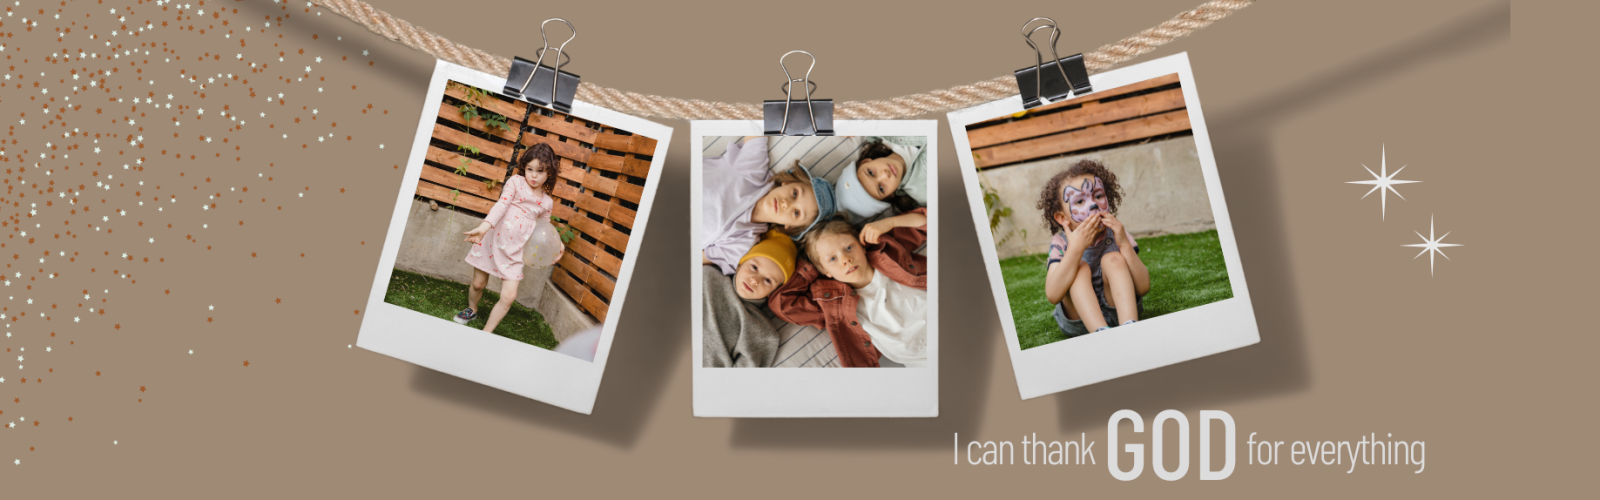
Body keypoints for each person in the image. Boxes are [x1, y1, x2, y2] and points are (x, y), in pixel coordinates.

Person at [769, 210, 928, 367]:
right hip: (921, 362)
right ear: (824, 271)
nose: (846, 259)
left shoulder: (887, 250)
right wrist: (810, 268)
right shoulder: (831, 302)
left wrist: (890, 222)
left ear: (862, 245)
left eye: (849, 248)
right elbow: (782, 305)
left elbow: (927, 223)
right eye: (832, 258)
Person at [454, 143, 561, 333]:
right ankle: (472, 309)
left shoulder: (546, 202)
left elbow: (544, 228)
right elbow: (501, 205)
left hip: (515, 252)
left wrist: (557, 245)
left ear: (549, 172)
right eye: (530, 169)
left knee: (509, 296)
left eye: (540, 171)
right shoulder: (516, 182)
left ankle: (486, 332)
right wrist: (484, 227)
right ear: (524, 168)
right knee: (478, 284)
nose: (533, 175)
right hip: (492, 242)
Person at [1038, 159, 1150, 337]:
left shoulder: (1117, 233)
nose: (1093, 205)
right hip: (1079, 321)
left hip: (1117, 312)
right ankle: (1101, 333)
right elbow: (1053, 295)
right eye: (1080, 201)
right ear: (1063, 218)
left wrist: (1123, 243)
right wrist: (1075, 249)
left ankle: (1130, 327)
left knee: (1113, 258)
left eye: (1098, 196)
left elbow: (1143, 287)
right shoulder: (1061, 242)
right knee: (1078, 266)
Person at [701, 136, 837, 275]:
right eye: (795, 193)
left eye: (796, 213)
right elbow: (758, 126)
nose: (786, 203)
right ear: (788, 183)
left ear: (791, 227)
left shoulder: (743, 243)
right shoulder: (752, 171)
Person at [834, 136, 928, 222]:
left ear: (865, 161)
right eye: (881, 189)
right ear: (891, 195)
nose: (885, 174)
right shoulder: (924, 192)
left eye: (870, 172)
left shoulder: (879, 131)